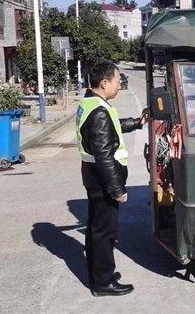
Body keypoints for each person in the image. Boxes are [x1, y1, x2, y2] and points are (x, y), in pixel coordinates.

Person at [76, 60, 149, 296]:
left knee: (97, 229)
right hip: (102, 180)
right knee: (104, 231)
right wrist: (117, 188)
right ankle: (103, 283)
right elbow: (104, 155)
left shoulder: (92, 103)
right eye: (118, 81)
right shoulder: (98, 111)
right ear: (104, 83)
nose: (120, 85)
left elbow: (112, 127)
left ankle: (101, 274)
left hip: (93, 177)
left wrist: (137, 123)